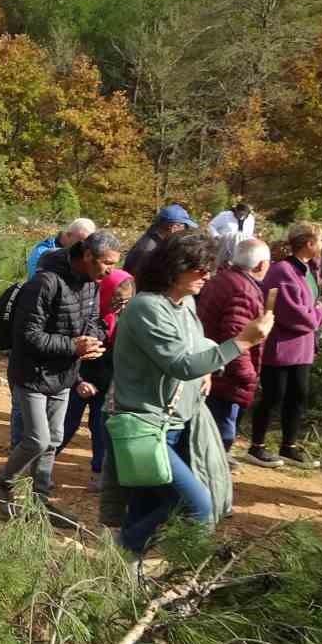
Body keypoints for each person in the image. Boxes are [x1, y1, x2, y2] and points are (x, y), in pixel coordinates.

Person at [105, 231, 274, 554]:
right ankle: (151, 563)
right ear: (175, 267)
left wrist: (209, 364)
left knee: (148, 507)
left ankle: (122, 571)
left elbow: (197, 346)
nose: (207, 276)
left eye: (209, 268)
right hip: (144, 427)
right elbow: (182, 364)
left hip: (175, 426)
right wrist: (243, 342)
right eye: (199, 269)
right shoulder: (147, 308)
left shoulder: (185, 304)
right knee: (197, 507)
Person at [0, 231, 123, 524]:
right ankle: (0, 483)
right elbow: (27, 335)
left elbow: (94, 321)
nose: (110, 270)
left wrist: (94, 340)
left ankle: (40, 502)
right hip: (32, 374)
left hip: (64, 374)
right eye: (106, 263)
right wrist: (73, 345)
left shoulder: (91, 284)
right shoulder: (44, 282)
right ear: (87, 256)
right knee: (37, 439)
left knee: (54, 439)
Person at [248, 222, 322, 468]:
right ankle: (257, 446)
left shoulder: (307, 269)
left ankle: (289, 446)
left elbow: (310, 304)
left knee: (298, 395)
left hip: (303, 347)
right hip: (282, 346)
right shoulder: (283, 271)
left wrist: (318, 309)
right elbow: (296, 315)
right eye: (321, 240)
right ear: (309, 243)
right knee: (274, 396)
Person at [58, 269, 134, 491]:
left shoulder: (126, 322)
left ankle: (98, 471)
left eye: (128, 300)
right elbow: (74, 352)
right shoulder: (89, 318)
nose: (122, 305)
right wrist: (79, 381)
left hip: (106, 385)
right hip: (79, 381)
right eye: (118, 299)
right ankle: (40, 464)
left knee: (101, 428)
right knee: (64, 425)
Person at [197, 238, 272, 462]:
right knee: (221, 433)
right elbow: (235, 336)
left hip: (214, 368)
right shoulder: (243, 290)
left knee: (212, 430)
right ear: (260, 265)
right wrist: (248, 376)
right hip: (226, 376)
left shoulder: (224, 279)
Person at [122, 205, 197, 275]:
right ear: (174, 227)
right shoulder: (150, 249)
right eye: (185, 226)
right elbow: (137, 278)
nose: (185, 231)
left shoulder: (155, 240)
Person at [27, 218, 97, 278]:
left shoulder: (82, 255)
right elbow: (37, 282)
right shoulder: (41, 253)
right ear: (68, 235)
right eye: (81, 242)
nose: (84, 247)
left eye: (88, 243)